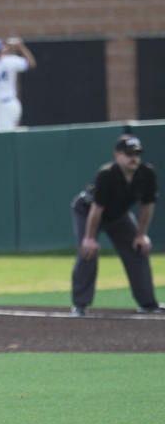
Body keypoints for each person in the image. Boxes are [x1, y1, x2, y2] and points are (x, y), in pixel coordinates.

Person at [70, 134, 164, 317]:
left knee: (138, 249)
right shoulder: (107, 174)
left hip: (119, 216)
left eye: (137, 153)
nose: (134, 157)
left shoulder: (147, 173)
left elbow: (147, 205)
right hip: (88, 212)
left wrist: (141, 235)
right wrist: (89, 238)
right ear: (117, 155)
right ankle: (80, 305)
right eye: (129, 153)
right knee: (88, 251)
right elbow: (96, 209)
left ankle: (148, 303)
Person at [0, 36, 36, 131]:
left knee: (3, 137)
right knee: (10, 133)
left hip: (5, 105)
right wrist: (20, 47)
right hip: (11, 104)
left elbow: (30, 65)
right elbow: (31, 63)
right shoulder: (8, 61)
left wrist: (2, 51)